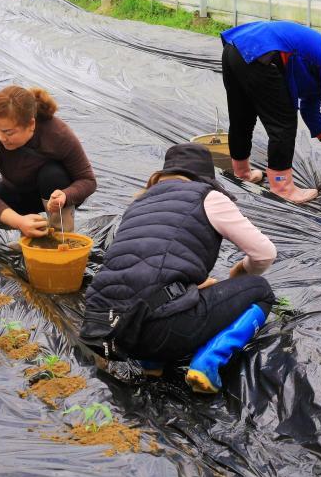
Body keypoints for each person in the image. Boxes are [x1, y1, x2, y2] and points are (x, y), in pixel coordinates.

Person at [79, 143, 277, 394]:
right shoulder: (208, 197)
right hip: (160, 330)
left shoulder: (139, 202)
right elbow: (265, 253)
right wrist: (241, 271)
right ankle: (209, 362)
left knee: (158, 291)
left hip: (109, 332)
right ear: (204, 176)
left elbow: (143, 270)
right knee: (260, 290)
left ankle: (151, 363)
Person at [220, 20, 321, 205]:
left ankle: (242, 173)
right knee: (284, 123)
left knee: (242, 115)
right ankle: (282, 188)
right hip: (259, 53)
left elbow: (310, 108)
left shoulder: (319, 63)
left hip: (236, 48)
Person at [0, 86, 97, 240]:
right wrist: (19, 222)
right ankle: (33, 229)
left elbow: (88, 181)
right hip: (17, 191)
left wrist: (66, 196)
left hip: (55, 198)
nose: (1, 137)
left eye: (9, 132)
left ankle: (59, 236)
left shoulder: (57, 134)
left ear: (31, 125)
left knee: (52, 174)